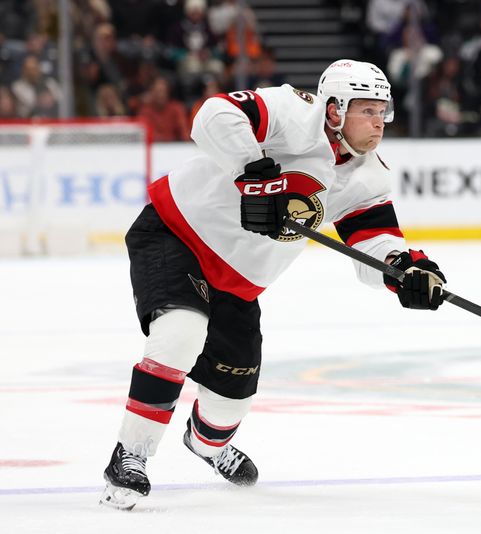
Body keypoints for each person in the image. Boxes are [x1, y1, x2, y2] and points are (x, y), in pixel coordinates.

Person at [99, 59, 447, 510]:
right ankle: (130, 456)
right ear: (335, 110)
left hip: (239, 281)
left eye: (383, 111)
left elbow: (374, 244)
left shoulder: (368, 176)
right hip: (176, 233)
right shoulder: (291, 111)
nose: (379, 122)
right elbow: (212, 116)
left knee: (230, 400)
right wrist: (253, 168)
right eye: (368, 110)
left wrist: (405, 272)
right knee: (179, 334)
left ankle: (207, 444)